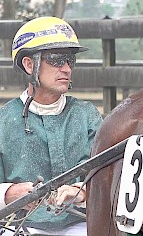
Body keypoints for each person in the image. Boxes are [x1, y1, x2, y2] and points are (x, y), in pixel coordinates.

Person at [0, 16, 103, 235]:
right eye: (57, 59)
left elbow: (111, 175)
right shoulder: (3, 121)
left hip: (82, 226)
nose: (66, 69)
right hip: (20, 226)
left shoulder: (88, 116)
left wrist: (81, 192)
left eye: (70, 61)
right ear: (29, 64)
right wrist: (8, 193)